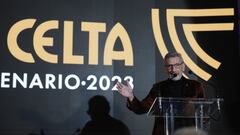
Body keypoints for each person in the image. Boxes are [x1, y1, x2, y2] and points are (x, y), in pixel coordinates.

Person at [116, 52, 205, 135]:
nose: (173, 69)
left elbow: (204, 112)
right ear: (165, 68)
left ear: (183, 67)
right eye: (169, 66)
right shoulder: (159, 88)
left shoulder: (195, 86)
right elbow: (142, 108)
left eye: (177, 65)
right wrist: (131, 96)